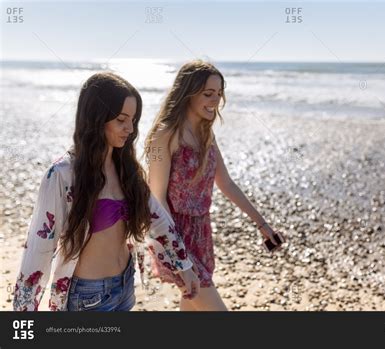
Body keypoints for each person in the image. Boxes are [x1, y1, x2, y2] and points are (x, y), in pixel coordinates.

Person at [13, 72, 200, 311]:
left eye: (133, 120)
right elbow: (39, 247)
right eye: (121, 120)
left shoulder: (126, 169)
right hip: (88, 297)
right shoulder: (63, 174)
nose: (130, 129)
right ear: (97, 118)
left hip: (125, 286)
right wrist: (23, 315)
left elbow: (157, 218)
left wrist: (184, 267)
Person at [145, 60, 285, 311]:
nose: (215, 101)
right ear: (187, 93)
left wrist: (263, 225)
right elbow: (157, 199)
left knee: (192, 307)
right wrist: (179, 255)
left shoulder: (206, 134)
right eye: (208, 94)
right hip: (175, 236)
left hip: (201, 234)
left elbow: (227, 183)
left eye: (219, 94)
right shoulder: (163, 136)